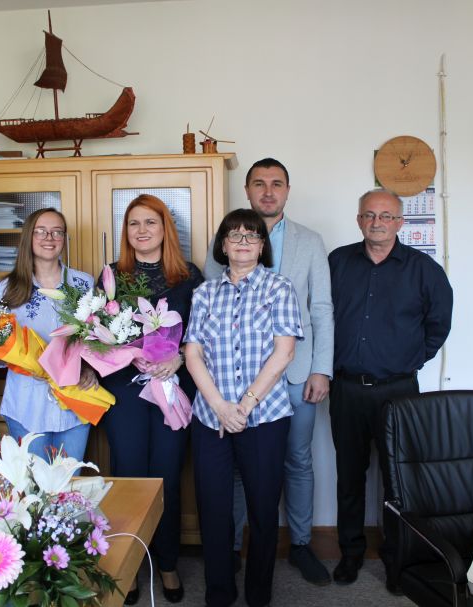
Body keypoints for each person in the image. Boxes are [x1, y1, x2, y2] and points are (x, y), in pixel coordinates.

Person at [204, 158, 333, 585]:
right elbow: (210, 302)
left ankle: (300, 544)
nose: (268, 191)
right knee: (238, 467)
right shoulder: (227, 236)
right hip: (233, 378)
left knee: (297, 459)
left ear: (287, 191)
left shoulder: (309, 241)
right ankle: (234, 548)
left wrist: (322, 369)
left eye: (277, 184)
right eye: (259, 183)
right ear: (247, 190)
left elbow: (321, 308)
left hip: (295, 372)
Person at [327, 189, 453, 588]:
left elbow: (439, 325)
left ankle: (398, 558)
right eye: (369, 215)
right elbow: (320, 315)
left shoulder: (424, 270)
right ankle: (350, 553)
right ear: (359, 220)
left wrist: (409, 358)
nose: (377, 222)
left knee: (399, 480)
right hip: (347, 390)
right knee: (349, 476)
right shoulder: (338, 262)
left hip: (398, 392)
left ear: (400, 222)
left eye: (385, 216)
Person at [185, 209, 303, 607]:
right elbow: (193, 354)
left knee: (263, 511)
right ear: (222, 245)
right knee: (214, 510)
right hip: (211, 418)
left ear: (262, 245)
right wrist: (221, 407)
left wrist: (246, 404)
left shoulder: (279, 287)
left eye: (251, 235)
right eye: (234, 235)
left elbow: (284, 352)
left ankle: (259, 594)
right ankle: (219, 592)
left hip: (265, 417)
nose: (242, 242)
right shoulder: (204, 293)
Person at [98, 194, 203, 604]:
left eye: (150, 222)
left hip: (170, 389)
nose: (142, 230)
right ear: (126, 231)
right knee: (128, 477)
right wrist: (123, 355)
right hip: (125, 391)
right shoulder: (111, 275)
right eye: (134, 223)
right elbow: (94, 337)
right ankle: (127, 565)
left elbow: (202, 332)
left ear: (164, 228)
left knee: (167, 478)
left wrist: (178, 358)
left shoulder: (188, 276)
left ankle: (167, 562)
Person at [0, 208, 97, 460]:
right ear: (28, 237)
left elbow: (96, 340)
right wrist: (16, 358)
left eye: (56, 232)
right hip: (25, 404)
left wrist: (90, 368)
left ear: (64, 238)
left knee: (70, 481)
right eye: (40, 231)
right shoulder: (6, 288)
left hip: (74, 401)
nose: (49, 238)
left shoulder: (84, 283)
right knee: (32, 483)